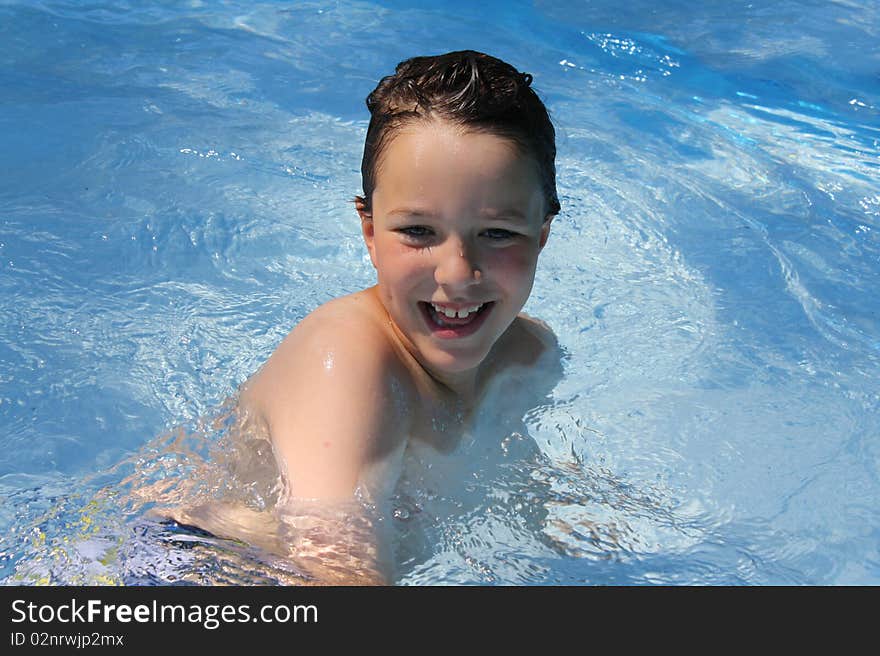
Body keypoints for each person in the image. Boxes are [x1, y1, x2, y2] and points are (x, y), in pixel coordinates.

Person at [168, 50, 563, 585]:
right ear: (370, 232)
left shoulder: (528, 355)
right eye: (418, 231)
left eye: (497, 233)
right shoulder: (347, 361)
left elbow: (507, 486)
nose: (457, 274)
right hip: (163, 571)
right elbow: (335, 573)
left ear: (541, 236)